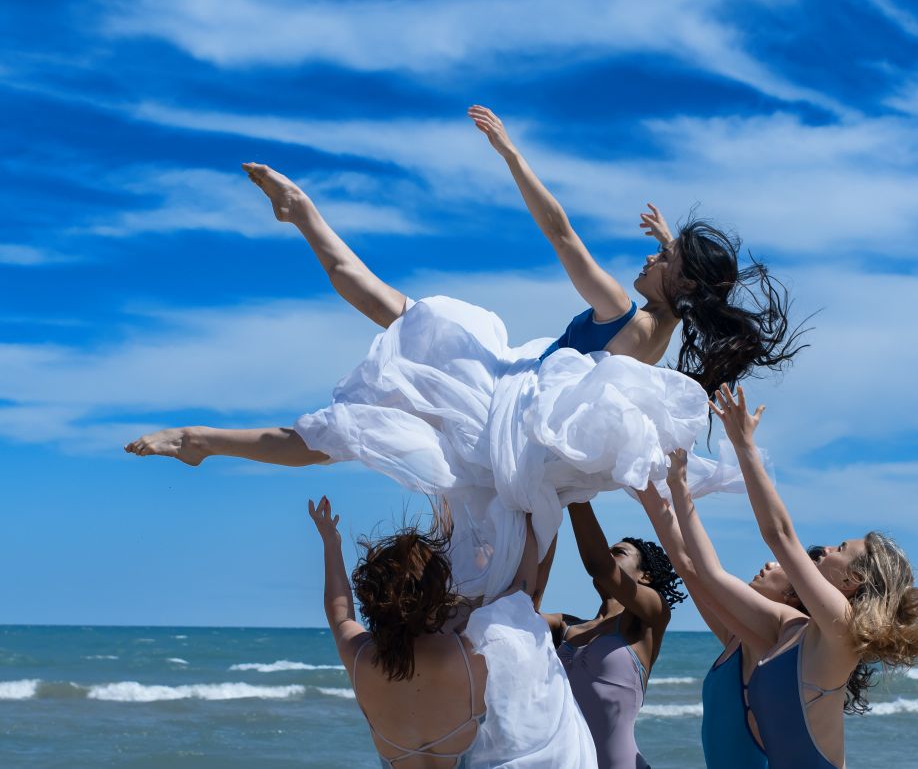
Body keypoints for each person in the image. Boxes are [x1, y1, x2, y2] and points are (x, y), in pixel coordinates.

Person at [126, 106, 803, 599]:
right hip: (521, 424)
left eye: (661, 257)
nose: (649, 254)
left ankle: (299, 221)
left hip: (501, 410)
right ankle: (295, 225)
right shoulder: (662, 327)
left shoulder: (619, 309)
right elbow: (662, 289)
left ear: (679, 282)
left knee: (364, 380)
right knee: (363, 398)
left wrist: (511, 155)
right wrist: (672, 245)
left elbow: (563, 235)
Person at [665, 385, 918, 769]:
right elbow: (708, 574)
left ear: (852, 580)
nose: (825, 551)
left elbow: (779, 536)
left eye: (841, 549)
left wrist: (744, 445)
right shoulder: (790, 628)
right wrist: (677, 487)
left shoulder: (842, 631)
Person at [308, 498, 597, 769]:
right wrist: (523, 519)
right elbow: (523, 588)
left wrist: (330, 542)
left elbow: (339, 612)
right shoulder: (472, 653)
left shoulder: (360, 658)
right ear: (434, 596)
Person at [637, 483, 826, 768]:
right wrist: (645, 487)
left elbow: (698, 568)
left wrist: (675, 486)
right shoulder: (738, 638)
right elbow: (687, 567)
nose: (769, 563)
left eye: (782, 566)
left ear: (798, 589)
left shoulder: (776, 642)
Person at [540, 501, 686, 769]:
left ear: (645, 576)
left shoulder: (649, 618)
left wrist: (575, 491)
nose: (608, 555)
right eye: (607, 552)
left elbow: (600, 566)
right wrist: (541, 518)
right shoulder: (565, 627)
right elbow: (519, 609)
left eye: (617, 552)